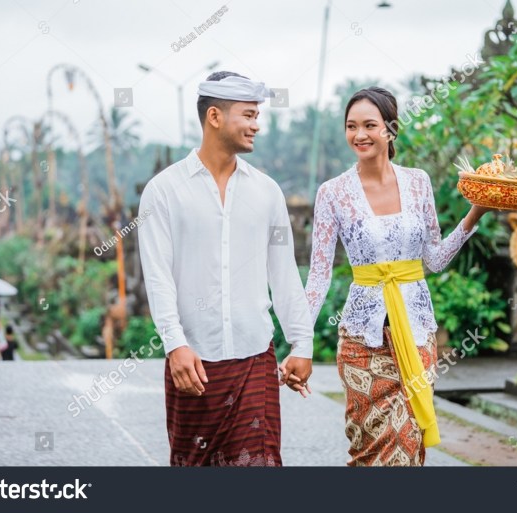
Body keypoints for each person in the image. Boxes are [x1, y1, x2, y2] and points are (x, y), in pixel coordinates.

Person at [304, 87, 493, 466]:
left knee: (408, 445)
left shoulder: (418, 182)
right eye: (351, 126)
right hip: (362, 339)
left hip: (417, 332)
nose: (360, 135)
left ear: (390, 130)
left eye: (370, 125)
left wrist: (475, 214)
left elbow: (435, 259)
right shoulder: (333, 193)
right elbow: (319, 275)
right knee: (369, 447)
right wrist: (299, 341)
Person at [138, 71, 314, 467]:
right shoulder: (164, 191)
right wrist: (174, 343)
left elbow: (284, 274)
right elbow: (158, 276)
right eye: (248, 115)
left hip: (255, 358)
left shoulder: (267, 192)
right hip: (193, 363)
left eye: (258, 116)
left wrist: (302, 344)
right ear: (214, 116)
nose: (256, 125)